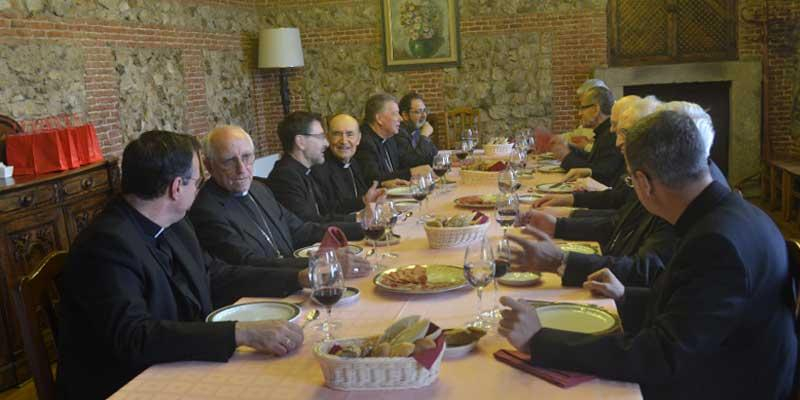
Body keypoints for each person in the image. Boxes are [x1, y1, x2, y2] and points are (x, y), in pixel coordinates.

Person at [500, 111, 797, 399]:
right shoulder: (732, 213)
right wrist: (625, 296)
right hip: (722, 366)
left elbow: (662, 355)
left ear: (643, 182)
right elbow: (691, 311)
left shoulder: (716, 244)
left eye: (631, 181)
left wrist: (540, 341)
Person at [56, 130, 366, 399]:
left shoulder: (175, 223)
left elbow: (217, 274)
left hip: (180, 360)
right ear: (177, 188)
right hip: (129, 383)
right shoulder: (106, 245)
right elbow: (135, 337)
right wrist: (239, 334)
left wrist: (300, 277)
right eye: (197, 180)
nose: (199, 188)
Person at [189, 125, 366, 268]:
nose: (241, 169)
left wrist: (363, 227)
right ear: (209, 166)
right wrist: (323, 263)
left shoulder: (259, 189)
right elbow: (248, 262)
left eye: (247, 157)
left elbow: (300, 230)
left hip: (294, 277)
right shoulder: (207, 210)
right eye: (229, 161)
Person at [267, 111, 379, 224]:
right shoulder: (286, 176)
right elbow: (309, 224)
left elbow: (327, 210)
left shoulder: (302, 171)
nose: (326, 143)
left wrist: (362, 204)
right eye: (320, 137)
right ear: (300, 142)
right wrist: (358, 219)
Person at [550, 86, 625, 186]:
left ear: (596, 109)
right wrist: (568, 148)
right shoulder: (604, 131)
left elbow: (601, 174)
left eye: (582, 108)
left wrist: (566, 156)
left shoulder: (611, 134)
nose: (579, 113)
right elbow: (593, 160)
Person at [311, 114, 384, 215]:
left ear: (359, 139)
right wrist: (363, 201)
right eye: (337, 134)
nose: (344, 141)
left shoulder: (354, 162)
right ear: (328, 138)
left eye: (350, 134)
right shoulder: (319, 169)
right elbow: (328, 211)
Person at [354, 93, 431, 186]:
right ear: (379, 119)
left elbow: (406, 163)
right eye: (395, 114)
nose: (400, 119)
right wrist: (411, 172)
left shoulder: (389, 138)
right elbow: (373, 179)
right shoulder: (364, 141)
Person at [395, 92, 438, 167]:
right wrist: (424, 136)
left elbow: (434, 154)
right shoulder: (398, 133)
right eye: (419, 112)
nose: (424, 115)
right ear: (405, 115)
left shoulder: (416, 129)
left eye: (424, 111)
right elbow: (414, 162)